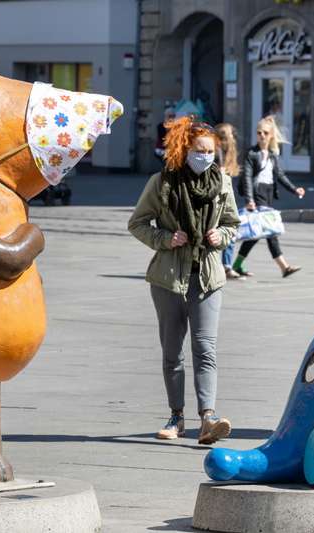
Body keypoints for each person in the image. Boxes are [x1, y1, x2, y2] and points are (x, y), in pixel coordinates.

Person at [128, 116, 239, 444]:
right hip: (167, 280)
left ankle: (208, 417)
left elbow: (233, 222)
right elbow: (137, 223)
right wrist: (165, 238)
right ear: (184, 150)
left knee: (205, 348)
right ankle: (177, 417)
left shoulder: (222, 183)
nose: (205, 157)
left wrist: (222, 235)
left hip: (207, 278)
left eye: (210, 151)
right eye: (199, 150)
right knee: (172, 353)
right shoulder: (162, 183)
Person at [231, 116, 305, 278]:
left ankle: (236, 265)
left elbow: (280, 175)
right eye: (259, 133)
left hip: (268, 193)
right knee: (270, 231)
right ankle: (284, 267)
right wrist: (250, 200)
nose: (262, 136)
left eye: (265, 133)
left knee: (256, 234)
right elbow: (247, 178)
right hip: (257, 194)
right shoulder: (252, 154)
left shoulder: (272, 154)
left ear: (271, 135)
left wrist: (295, 189)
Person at [214, 123, 243, 280]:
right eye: (229, 135)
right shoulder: (215, 150)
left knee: (230, 233)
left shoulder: (229, 152)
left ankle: (226, 266)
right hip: (215, 199)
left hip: (226, 198)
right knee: (217, 234)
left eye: (231, 135)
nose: (231, 138)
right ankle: (218, 266)